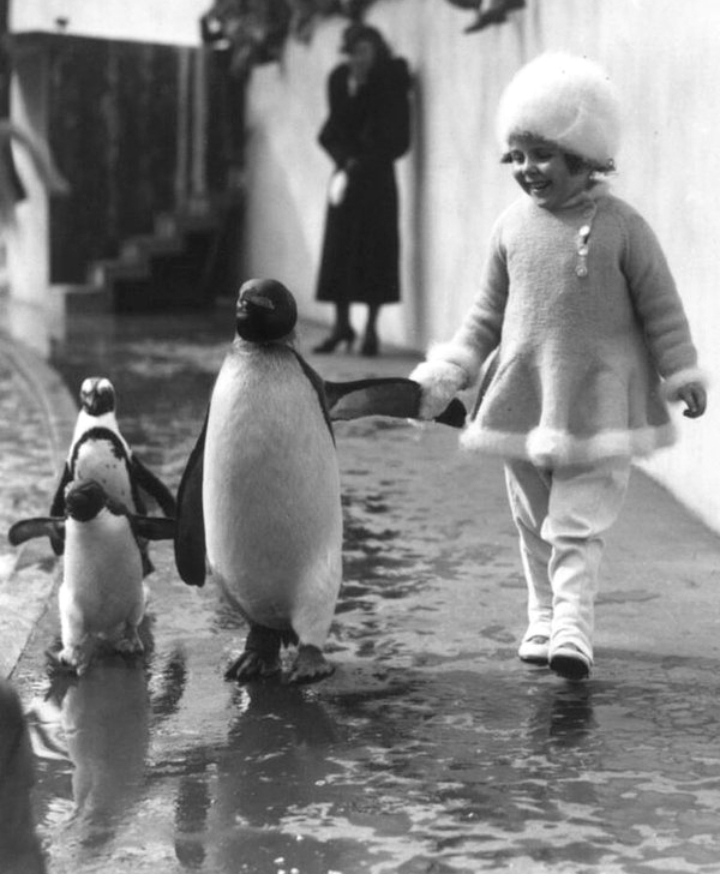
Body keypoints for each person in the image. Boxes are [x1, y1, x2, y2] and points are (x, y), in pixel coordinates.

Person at [409, 52, 707, 681]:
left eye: (541, 154)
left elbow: (662, 309)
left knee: (576, 519)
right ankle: (542, 613)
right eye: (515, 156)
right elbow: (485, 315)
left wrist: (681, 371)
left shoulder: (623, 227)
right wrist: (453, 368)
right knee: (531, 517)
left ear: (584, 154)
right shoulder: (511, 228)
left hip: (600, 400)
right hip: (523, 396)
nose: (526, 170)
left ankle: (573, 623)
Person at [313, 23, 411, 357]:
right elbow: (331, 131)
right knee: (339, 251)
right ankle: (342, 325)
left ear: (378, 51)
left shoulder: (391, 81)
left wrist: (364, 162)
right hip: (346, 177)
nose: (358, 59)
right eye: (353, 53)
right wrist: (346, 161)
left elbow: (399, 139)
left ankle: (370, 328)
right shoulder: (341, 81)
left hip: (377, 180)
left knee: (375, 253)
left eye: (365, 52)